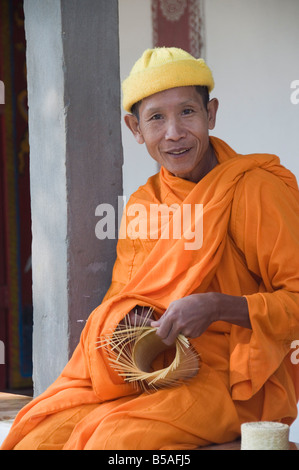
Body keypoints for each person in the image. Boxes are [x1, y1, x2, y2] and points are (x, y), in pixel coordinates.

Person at [2, 47, 299, 450]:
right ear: (135, 128)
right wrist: (132, 322)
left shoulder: (254, 189)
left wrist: (218, 306)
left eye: (187, 113)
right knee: (37, 438)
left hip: (236, 382)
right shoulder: (146, 204)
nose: (174, 132)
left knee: (111, 441)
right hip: (156, 369)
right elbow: (124, 297)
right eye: (156, 118)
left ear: (211, 114)